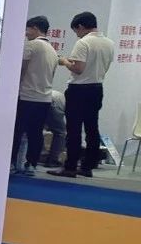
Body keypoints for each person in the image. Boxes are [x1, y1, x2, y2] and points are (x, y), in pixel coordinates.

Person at [50, 11, 116, 178]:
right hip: (96, 88)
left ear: (80, 26)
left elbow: (78, 69)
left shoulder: (83, 43)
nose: (77, 35)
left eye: (76, 31)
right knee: (92, 128)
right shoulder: (109, 43)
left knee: (74, 129)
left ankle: (70, 167)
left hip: (79, 90)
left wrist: (64, 61)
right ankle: (87, 166)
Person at [12, 16, 57, 176]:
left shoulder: (32, 45)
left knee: (17, 132)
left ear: (35, 28)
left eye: (28, 29)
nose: (26, 33)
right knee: (36, 133)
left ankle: (11, 163)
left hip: (27, 96)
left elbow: (21, 69)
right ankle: (31, 164)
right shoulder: (52, 50)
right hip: (44, 98)